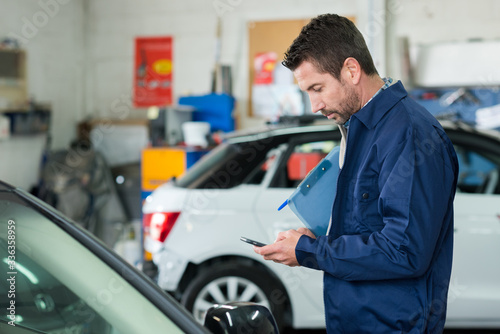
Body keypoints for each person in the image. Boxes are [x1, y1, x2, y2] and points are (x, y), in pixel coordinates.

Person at [254, 13, 459, 333]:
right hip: (356, 320)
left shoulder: (409, 135)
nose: (314, 105)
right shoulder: (359, 129)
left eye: (318, 88)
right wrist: (318, 239)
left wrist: (309, 251)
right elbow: (368, 226)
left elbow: (403, 251)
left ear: (351, 70)